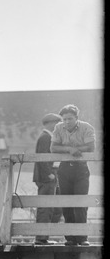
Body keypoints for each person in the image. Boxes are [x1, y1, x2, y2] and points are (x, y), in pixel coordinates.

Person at [50, 103, 95, 246]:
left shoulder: (86, 127)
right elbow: (53, 148)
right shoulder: (58, 128)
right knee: (66, 202)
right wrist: (69, 149)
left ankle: (82, 238)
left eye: (70, 118)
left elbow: (91, 147)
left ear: (76, 118)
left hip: (81, 169)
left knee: (81, 203)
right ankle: (70, 238)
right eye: (64, 119)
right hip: (64, 170)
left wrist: (77, 150)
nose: (67, 122)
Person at [33, 112, 63, 245]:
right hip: (46, 178)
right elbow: (42, 158)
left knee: (54, 208)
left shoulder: (48, 137)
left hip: (50, 177)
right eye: (56, 123)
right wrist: (49, 174)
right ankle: (41, 237)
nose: (58, 126)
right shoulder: (45, 137)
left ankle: (44, 236)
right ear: (49, 124)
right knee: (46, 207)